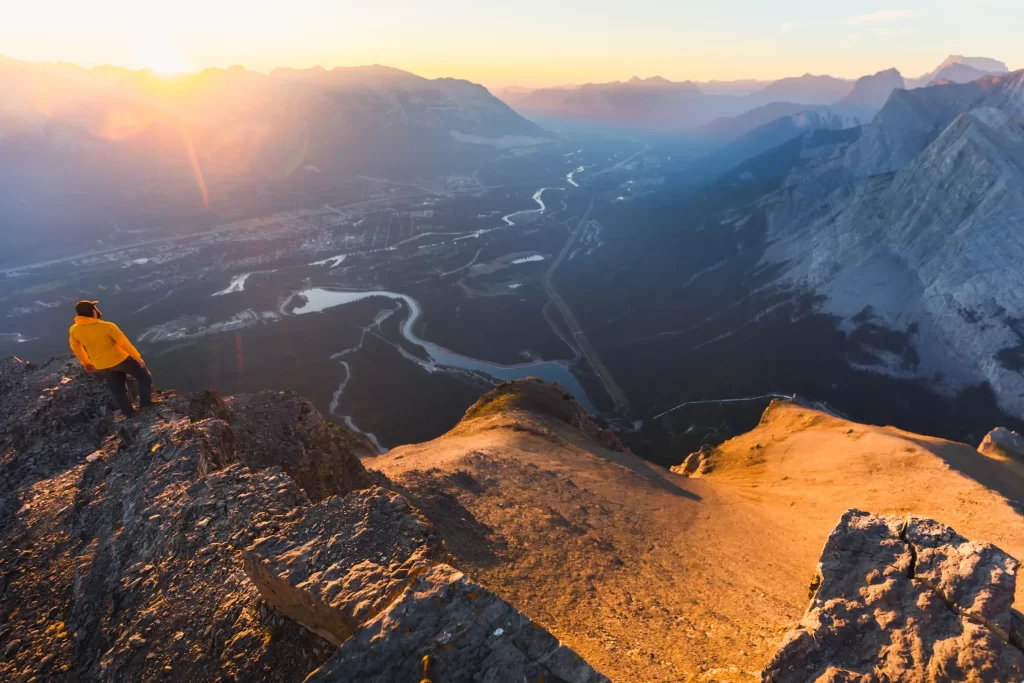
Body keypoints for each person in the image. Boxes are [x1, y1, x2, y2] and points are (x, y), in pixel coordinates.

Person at [69, 300, 161, 416]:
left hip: (101, 365)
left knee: (117, 389)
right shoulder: (108, 326)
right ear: (93, 311)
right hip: (120, 360)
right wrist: (137, 358)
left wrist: (86, 362)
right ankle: (145, 403)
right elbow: (124, 343)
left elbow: (75, 347)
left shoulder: (74, 330)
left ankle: (127, 411)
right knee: (144, 376)